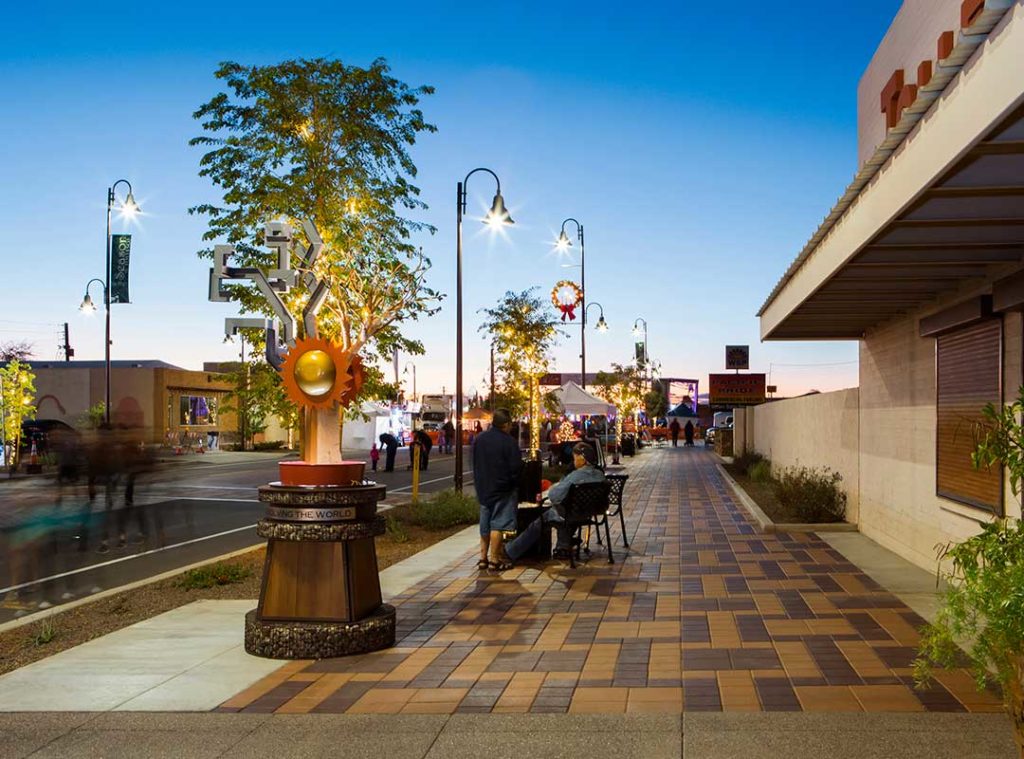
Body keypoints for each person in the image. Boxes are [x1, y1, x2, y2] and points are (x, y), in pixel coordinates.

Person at [504, 442, 607, 564]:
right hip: (591, 512)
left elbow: (553, 495)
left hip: (571, 514)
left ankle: (511, 551)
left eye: (574, 458)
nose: (573, 461)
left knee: (543, 520)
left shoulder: (575, 476)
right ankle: (562, 547)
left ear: (582, 459)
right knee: (564, 510)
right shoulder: (600, 475)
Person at [471, 408, 522, 571]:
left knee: (485, 525)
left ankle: (483, 558)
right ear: (506, 424)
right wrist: (514, 483)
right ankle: (495, 560)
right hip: (503, 489)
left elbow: (474, 462)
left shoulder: (479, 439)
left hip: (484, 488)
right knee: (498, 525)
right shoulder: (509, 442)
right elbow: (516, 467)